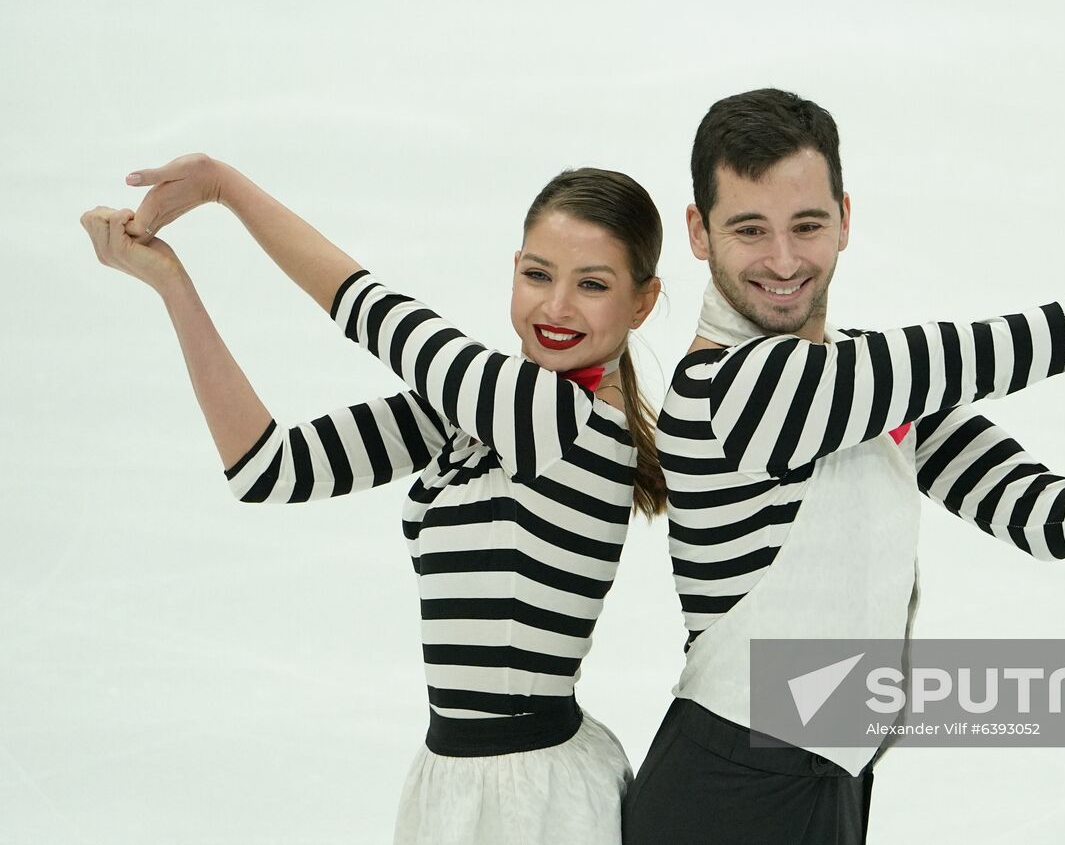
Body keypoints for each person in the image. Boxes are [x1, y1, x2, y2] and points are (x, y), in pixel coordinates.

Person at [620, 88, 1065, 844]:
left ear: (845, 218)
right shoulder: (734, 390)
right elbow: (1022, 344)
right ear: (699, 233)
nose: (783, 259)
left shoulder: (863, 388)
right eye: (750, 229)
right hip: (724, 798)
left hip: (827, 795)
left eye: (806, 225)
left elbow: (1047, 513)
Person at [79, 155, 664, 844]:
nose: (557, 306)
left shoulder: (562, 418)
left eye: (592, 284)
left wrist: (225, 188)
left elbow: (371, 311)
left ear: (642, 301)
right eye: (537, 273)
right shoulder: (485, 410)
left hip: (530, 798)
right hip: (460, 778)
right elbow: (269, 465)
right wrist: (172, 284)